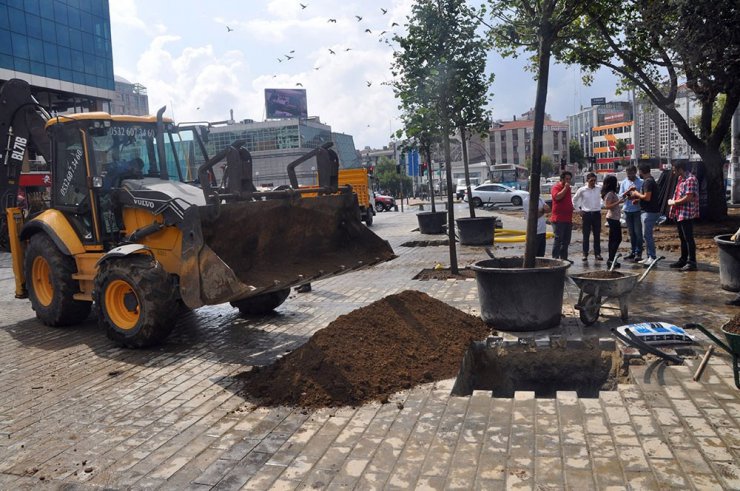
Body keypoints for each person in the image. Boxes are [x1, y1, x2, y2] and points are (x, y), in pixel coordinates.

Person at [668, 161, 699, 271]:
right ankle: (683, 259)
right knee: (682, 238)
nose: (673, 171)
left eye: (674, 169)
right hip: (679, 213)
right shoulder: (681, 179)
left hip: (686, 213)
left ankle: (692, 262)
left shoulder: (690, 179)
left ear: (680, 169)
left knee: (688, 238)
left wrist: (674, 203)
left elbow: (689, 197)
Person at [627, 164, 660, 267]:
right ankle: (649, 256)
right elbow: (646, 198)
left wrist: (636, 194)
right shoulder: (650, 181)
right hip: (648, 211)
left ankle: (652, 257)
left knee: (647, 235)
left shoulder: (648, 182)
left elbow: (647, 197)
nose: (638, 174)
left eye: (639, 172)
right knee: (646, 235)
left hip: (649, 212)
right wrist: (638, 200)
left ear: (642, 171)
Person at [572, 172, 603, 262]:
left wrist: (601, 205)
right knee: (586, 235)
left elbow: (603, 197)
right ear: (587, 180)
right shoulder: (582, 190)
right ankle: (585, 254)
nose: (593, 182)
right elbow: (574, 200)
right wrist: (578, 210)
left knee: (597, 235)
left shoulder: (599, 189)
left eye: (594, 180)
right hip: (586, 214)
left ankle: (597, 253)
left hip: (597, 213)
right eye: (591, 180)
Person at [619, 166, 644, 262]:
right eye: (627, 173)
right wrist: (628, 193)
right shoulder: (624, 182)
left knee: (638, 233)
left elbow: (644, 196)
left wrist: (637, 199)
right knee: (631, 233)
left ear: (635, 172)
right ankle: (632, 251)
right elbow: (620, 196)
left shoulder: (641, 182)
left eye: (631, 173)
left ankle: (639, 252)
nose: (629, 175)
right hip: (627, 210)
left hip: (637, 210)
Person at [550, 171, 574, 261]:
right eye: (566, 179)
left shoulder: (568, 188)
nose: (568, 181)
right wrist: (565, 188)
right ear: (562, 179)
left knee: (566, 241)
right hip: (558, 219)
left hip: (567, 219)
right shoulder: (556, 187)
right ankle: (555, 259)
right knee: (558, 240)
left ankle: (564, 259)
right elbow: (557, 197)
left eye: (569, 179)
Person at [601, 175, 624, 269]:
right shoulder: (610, 193)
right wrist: (618, 202)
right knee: (617, 239)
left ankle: (611, 259)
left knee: (613, 239)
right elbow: (607, 206)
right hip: (613, 218)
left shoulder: (611, 193)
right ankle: (611, 259)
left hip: (614, 218)